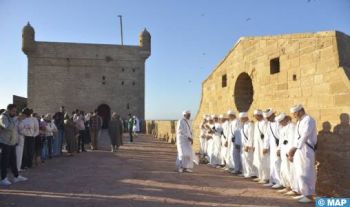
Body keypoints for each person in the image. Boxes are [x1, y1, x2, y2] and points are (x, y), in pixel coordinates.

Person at [288, 104, 317, 203]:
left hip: (306, 149)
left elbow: (305, 135)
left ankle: (309, 196)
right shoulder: (300, 121)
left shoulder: (309, 120)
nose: (294, 116)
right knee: (299, 171)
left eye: (295, 113)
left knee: (306, 171)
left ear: (300, 111)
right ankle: (303, 193)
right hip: (298, 149)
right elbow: (296, 137)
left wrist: (294, 148)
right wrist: (293, 149)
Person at [0, 104, 28, 186]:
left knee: (13, 161)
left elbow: (15, 130)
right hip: (5, 142)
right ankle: (3, 178)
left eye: (16, 111)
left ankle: (16, 176)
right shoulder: (3, 117)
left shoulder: (12, 118)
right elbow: (7, 127)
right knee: (4, 161)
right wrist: (16, 120)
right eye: (13, 111)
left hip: (12, 142)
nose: (15, 113)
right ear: (8, 110)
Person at [274, 113, 297, 195]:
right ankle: (287, 186)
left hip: (289, 151)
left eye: (281, 121)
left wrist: (290, 153)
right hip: (283, 151)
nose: (280, 123)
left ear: (286, 119)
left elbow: (292, 140)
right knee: (284, 169)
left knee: (291, 170)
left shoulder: (292, 127)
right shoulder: (282, 128)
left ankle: (294, 188)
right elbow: (281, 140)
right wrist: (279, 149)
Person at [263, 108, 282, 189]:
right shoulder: (269, 124)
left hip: (278, 146)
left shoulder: (278, 123)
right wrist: (265, 147)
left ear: (272, 115)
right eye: (267, 118)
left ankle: (279, 182)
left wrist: (279, 148)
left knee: (278, 163)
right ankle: (272, 180)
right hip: (272, 146)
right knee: (272, 163)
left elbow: (282, 136)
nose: (268, 119)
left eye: (269, 118)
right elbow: (267, 136)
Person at [252, 109, 269, 184]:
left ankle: (266, 177)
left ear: (259, 115)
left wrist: (265, 146)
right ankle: (261, 176)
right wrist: (254, 145)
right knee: (258, 160)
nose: (255, 117)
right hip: (257, 145)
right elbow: (255, 136)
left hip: (263, 145)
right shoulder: (257, 123)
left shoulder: (265, 123)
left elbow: (267, 136)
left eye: (255, 116)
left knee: (264, 161)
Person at [239, 112, 255, 178]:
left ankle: (250, 173)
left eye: (241, 118)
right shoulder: (244, 125)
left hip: (248, 146)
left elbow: (251, 136)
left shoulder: (250, 125)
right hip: (243, 145)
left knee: (249, 159)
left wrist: (248, 145)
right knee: (244, 159)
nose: (240, 120)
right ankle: (245, 172)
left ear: (245, 118)